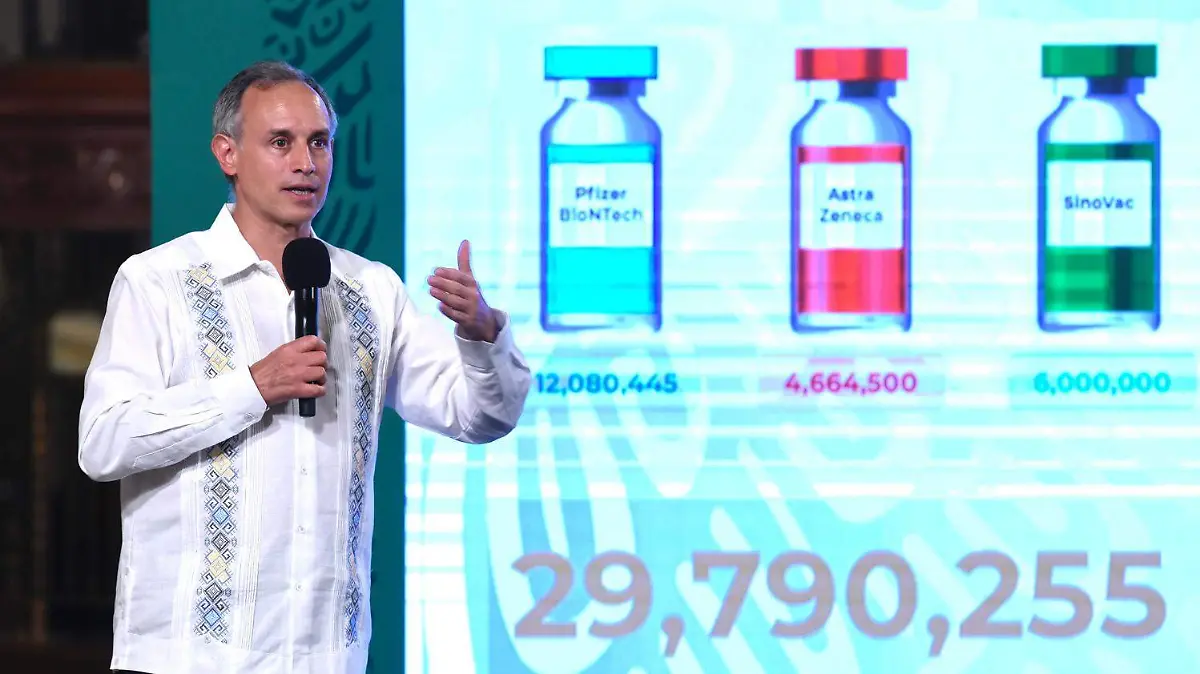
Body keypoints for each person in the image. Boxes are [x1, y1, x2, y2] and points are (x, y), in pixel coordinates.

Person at [78, 60, 532, 674]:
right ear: (227, 154)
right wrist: (250, 388)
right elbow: (103, 441)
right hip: (187, 657)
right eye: (280, 142)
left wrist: (482, 335)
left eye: (319, 142)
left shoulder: (370, 290)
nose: (305, 162)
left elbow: (480, 418)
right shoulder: (158, 281)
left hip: (325, 656)